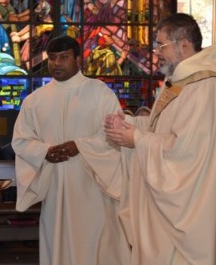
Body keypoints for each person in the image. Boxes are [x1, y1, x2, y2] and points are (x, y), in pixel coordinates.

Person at [104, 13, 216, 264]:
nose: (157, 52)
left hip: (192, 207)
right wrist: (130, 125)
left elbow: (186, 152)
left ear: (184, 45)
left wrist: (137, 139)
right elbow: (166, 128)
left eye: (161, 45)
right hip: (177, 204)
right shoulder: (185, 81)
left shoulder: (205, 86)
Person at [12, 36, 130, 264]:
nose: (57, 63)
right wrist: (44, 151)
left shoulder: (99, 92)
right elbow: (21, 141)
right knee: (59, 245)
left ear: (78, 60)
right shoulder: (35, 100)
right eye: (52, 58)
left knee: (96, 248)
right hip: (56, 191)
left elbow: (116, 133)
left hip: (94, 189)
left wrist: (80, 146)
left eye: (64, 58)